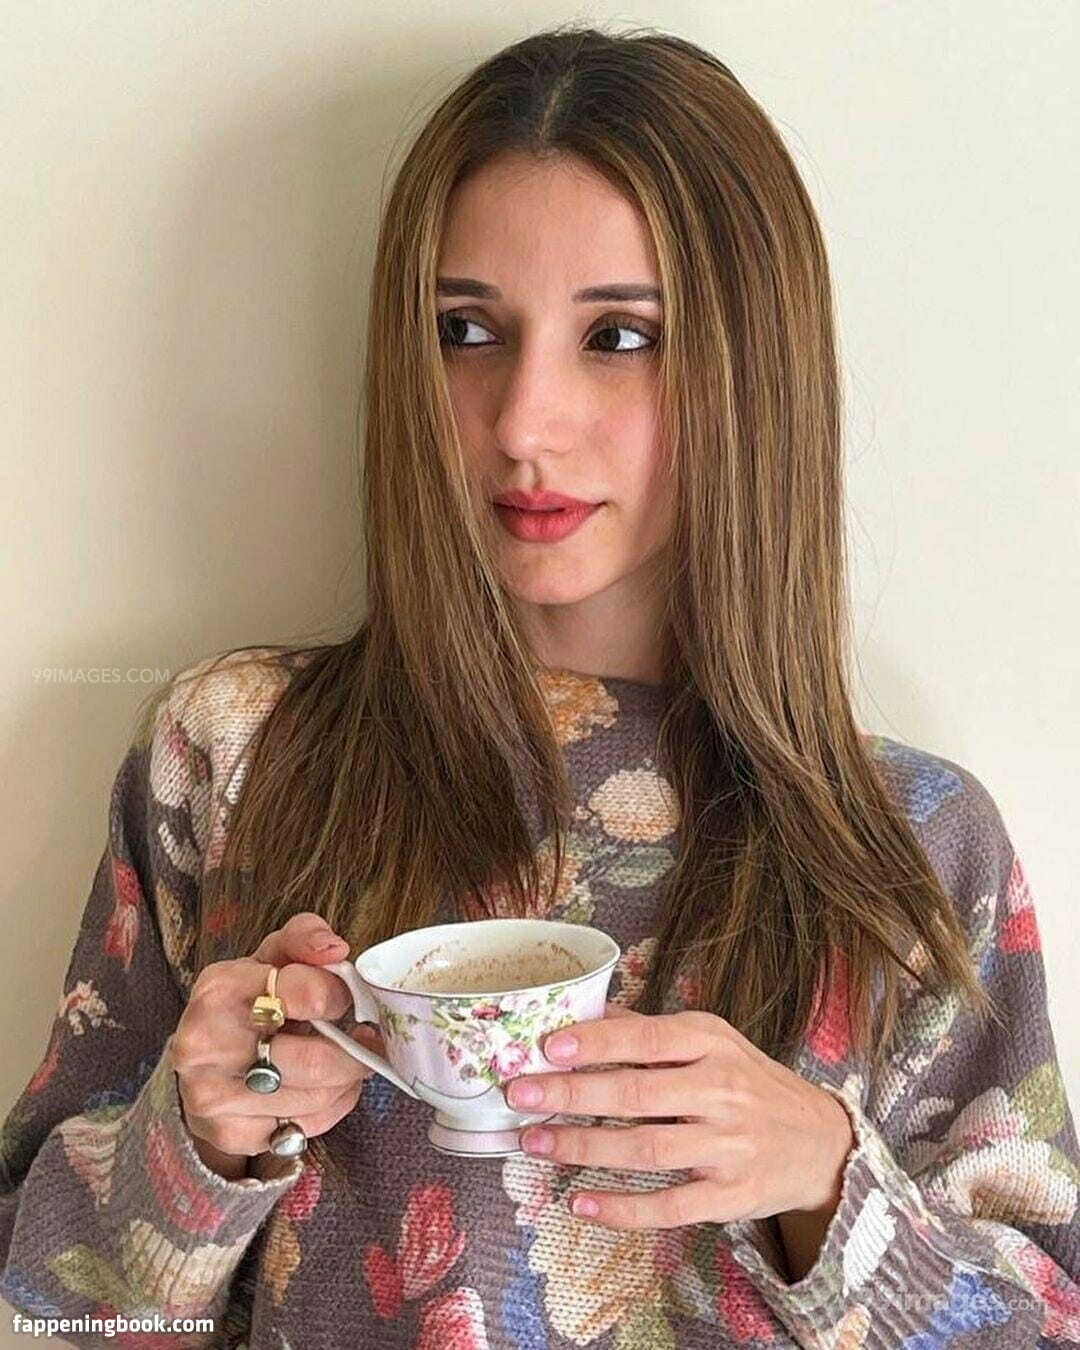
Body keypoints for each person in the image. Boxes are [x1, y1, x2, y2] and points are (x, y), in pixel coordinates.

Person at [3, 23, 1078, 1350]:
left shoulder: (913, 849)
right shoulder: (235, 756)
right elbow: (38, 1314)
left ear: (753, 369)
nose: (522, 421)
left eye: (619, 336)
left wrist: (825, 1178)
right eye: (467, 331)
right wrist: (192, 1153)